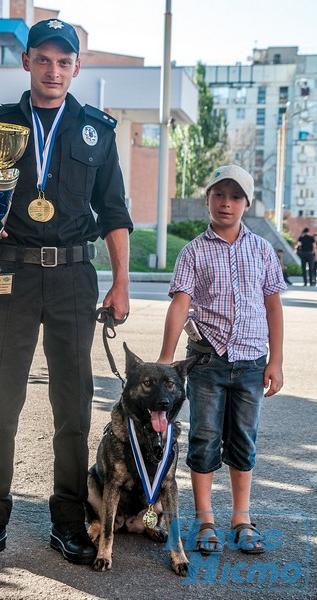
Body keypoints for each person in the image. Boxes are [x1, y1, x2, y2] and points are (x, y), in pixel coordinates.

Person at [0, 18, 133, 567]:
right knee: (1, 401)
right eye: (44, 59)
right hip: (11, 276)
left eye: (64, 61)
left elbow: (115, 214)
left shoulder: (96, 131)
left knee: (73, 404)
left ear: (76, 67)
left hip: (74, 279)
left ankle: (67, 519)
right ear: (27, 61)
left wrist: (122, 282)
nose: (53, 70)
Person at [158, 165, 286, 555]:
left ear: (246, 203)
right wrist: (166, 360)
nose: (225, 203)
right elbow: (181, 305)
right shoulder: (194, 250)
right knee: (205, 438)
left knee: (243, 441)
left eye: (234, 197)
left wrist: (276, 361)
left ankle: (241, 519)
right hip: (207, 363)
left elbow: (273, 307)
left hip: (251, 363)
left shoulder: (262, 250)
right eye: (218, 195)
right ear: (208, 200)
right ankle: (205, 521)